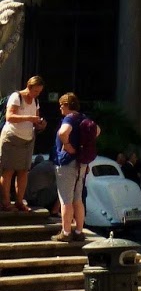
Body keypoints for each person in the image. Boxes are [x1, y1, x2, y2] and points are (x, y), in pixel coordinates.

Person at [53, 92, 96, 243]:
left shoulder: (69, 118)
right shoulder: (84, 118)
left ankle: (66, 232)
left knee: (65, 199)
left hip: (67, 162)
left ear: (66, 105)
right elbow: (97, 131)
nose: (60, 108)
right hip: (81, 163)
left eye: (61, 105)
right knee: (78, 199)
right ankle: (79, 231)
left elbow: (63, 132)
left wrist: (67, 144)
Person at [1, 75, 45, 212]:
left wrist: (40, 124)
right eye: (35, 91)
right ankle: (6, 202)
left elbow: (35, 120)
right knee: (8, 170)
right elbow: (9, 117)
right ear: (29, 87)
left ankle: (20, 201)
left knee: (23, 171)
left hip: (27, 139)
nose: (37, 94)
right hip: (12, 137)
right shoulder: (17, 97)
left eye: (39, 92)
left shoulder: (36, 101)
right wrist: (29, 118)